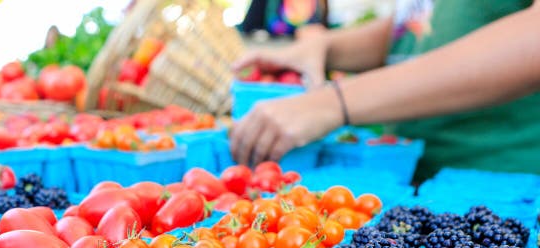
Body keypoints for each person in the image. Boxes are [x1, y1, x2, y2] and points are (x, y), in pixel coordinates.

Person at [230, 0, 540, 181]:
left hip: (501, 185)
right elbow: (416, 26)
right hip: (409, 176)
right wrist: (325, 47)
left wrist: (335, 101)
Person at [238, 0, 328, 38]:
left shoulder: (320, 3)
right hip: (273, 59)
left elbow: (325, 29)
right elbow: (248, 27)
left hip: (306, 62)